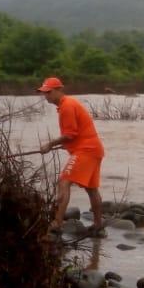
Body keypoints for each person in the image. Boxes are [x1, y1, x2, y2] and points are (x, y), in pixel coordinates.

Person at [36, 77, 105, 237]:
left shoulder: (67, 106)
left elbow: (70, 134)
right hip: (94, 149)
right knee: (91, 189)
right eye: (44, 93)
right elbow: (75, 135)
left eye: (49, 92)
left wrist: (50, 145)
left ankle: (57, 223)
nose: (46, 96)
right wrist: (66, 145)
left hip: (86, 150)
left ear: (59, 90)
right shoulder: (67, 104)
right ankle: (97, 224)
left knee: (63, 182)